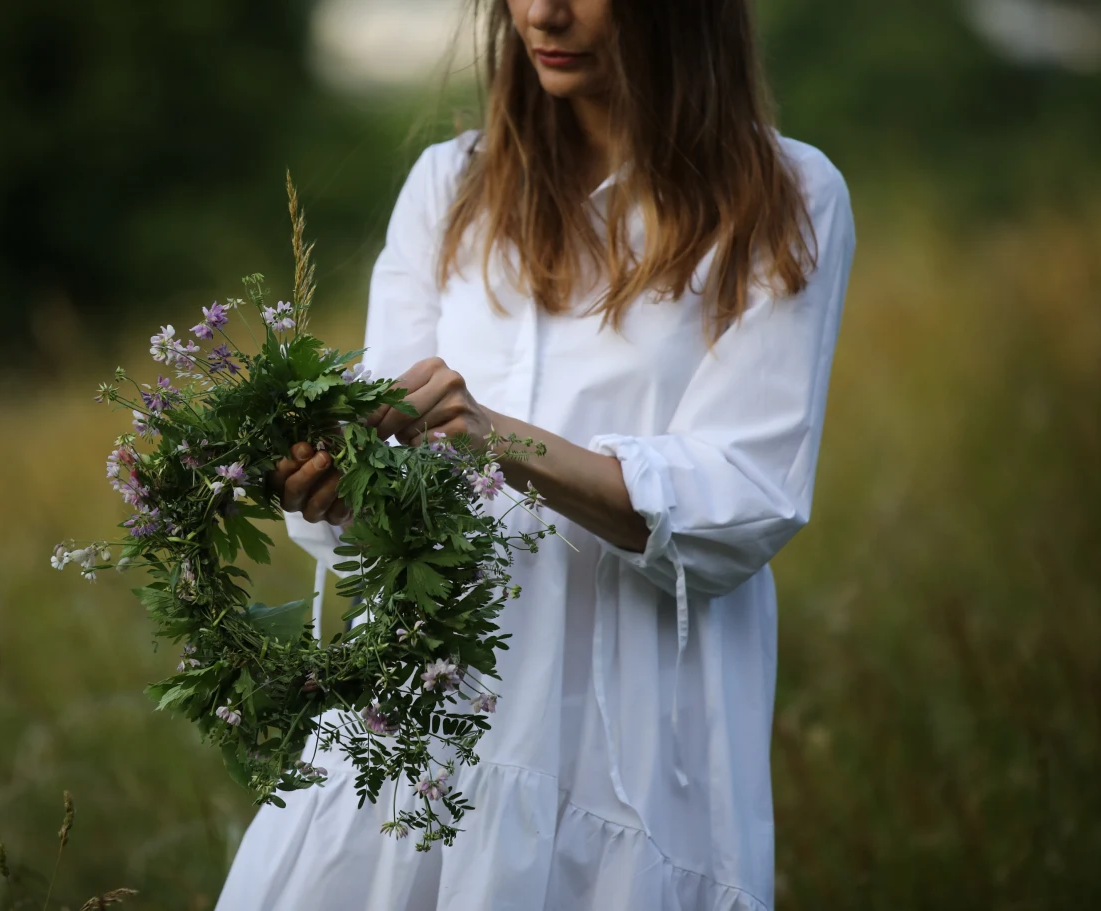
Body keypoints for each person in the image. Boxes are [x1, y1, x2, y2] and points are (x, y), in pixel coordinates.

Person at [216, 0, 855, 907]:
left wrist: (492, 436)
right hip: (417, 722)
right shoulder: (452, 187)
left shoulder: (787, 198)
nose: (542, 12)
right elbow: (383, 487)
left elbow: (742, 500)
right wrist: (332, 483)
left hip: (628, 753)